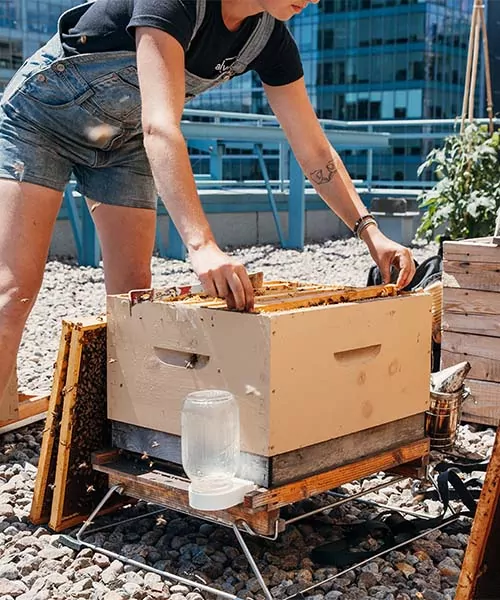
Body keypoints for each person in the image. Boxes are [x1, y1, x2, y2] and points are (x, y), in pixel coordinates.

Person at [0, 0, 416, 404]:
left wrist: (370, 231)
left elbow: (313, 150)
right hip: (41, 120)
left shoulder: (270, 39)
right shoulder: (176, 2)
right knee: (14, 289)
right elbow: (161, 124)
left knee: (131, 301)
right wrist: (201, 246)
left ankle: (121, 423)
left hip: (122, 140)